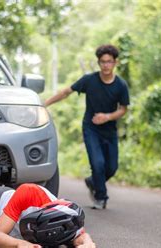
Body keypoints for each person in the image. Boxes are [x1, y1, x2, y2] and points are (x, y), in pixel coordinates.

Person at [45, 44, 130, 209]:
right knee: (97, 164)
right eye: (103, 62)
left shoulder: (120, 85)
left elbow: (123, 109)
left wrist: (107, 117)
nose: (106, 65)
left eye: (109, 62)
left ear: (115, 63)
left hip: (110, 130)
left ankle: (93, 182)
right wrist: (44, 104)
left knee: (111, 168)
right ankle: (101, 197)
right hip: (91, 129)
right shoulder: (89, 80)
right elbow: (66, 92)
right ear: (99, 63)